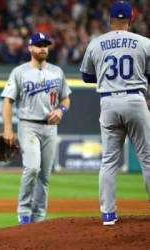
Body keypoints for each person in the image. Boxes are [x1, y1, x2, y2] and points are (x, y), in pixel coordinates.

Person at [80, 1, 150, 226]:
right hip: (135, 99)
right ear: (131, 19)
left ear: (109, 20)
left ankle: (108, 215)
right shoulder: (144, 42)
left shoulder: (96, 43)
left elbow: (86, 76)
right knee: (147, 159)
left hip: (108, 102)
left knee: (109, 161)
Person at [1, 32, 71, 224]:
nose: (43, 48)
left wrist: (61, 110)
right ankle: (24, 213)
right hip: (28, 125)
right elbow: (7, 101)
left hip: (50, 128)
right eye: (38, 45)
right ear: (30, 48)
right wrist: (7, 129)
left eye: (45, 45)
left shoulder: (57, 72)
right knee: (32, 168)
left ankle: (39, 219)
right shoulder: (19, 72)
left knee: (45, 176)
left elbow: (66, 97)